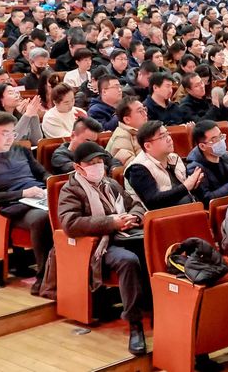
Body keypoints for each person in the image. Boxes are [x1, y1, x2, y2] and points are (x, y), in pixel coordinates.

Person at [57, 141, 148, 356]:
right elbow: (70, 224)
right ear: (78, 167)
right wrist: (111, 222)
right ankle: (135, 324)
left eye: (100, 162)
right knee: (128, 261)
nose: (98, 166)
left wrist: (134, 217)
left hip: (124, 235)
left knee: (152, 248)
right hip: (97, 245)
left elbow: (135, 204)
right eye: (91, 163)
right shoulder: (70, 190)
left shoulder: (110, 183)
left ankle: (156, 308)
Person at [0, 112, 53, 295]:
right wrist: (23, 193)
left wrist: (51, 183)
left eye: (12, 133)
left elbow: (42, 173)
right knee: (42, 218)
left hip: (38, 196)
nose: (10, 138)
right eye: (5, 133)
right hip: (13, 206)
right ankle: (44, 278)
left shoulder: (21, 151)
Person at [125, 121, 203, 210]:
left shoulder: (174, 158)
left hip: (189, 209)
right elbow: (152, 202)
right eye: (162, 136)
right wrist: (186, 187)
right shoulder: (137, 169)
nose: (169, 138)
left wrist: (193, 186)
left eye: (167, 134)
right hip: (164, 217)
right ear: (148, 146)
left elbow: (183, 191)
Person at [186, 120, 228, 206]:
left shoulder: (226, 156)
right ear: (202, 146)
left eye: (220, 136)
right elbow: (206, 199)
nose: (220, 141)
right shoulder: (195, 168)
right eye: (214, 139)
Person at [51, 117, 116, 174]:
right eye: (87, 140)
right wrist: (104, 168)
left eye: (93, 141)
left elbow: (114, 161)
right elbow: (81, 170)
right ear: (73, 136)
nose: (90, 145)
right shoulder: (59, 156)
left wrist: (112, 170)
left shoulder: (95, 148)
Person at [106, 97, 148, 165]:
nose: (145, 113)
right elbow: (133, 166)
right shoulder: (121, 137)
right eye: (140, 111)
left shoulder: (145, 131)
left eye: (144, 109)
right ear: (127, 120)